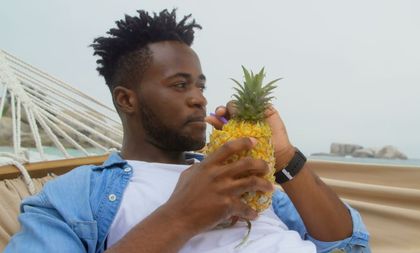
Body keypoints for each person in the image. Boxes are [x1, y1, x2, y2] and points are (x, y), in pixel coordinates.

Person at [5, 9, 370, 253]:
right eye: (180, 85)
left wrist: (285, 157)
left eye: (200, 85)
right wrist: (182, 216)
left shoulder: (242, 172)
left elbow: (349, 245)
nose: (199, 98)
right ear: (127, 100)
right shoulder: (72, 196)